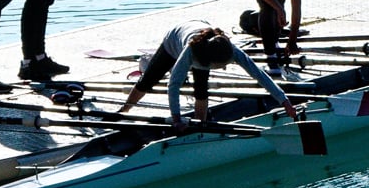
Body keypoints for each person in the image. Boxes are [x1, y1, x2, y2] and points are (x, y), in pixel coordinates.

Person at [116, 21, 301, 128]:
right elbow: (173, 84)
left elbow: (259, 75)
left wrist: (284, 101)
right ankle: (124, 110)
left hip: (202, 32)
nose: (223, 69)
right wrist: (177, 118)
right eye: (221, 66)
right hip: (173, 40)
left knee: (201, 90)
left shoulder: (232, 50)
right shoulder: (190, 53)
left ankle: (200, 125)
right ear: (212, 61)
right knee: (149, 80)